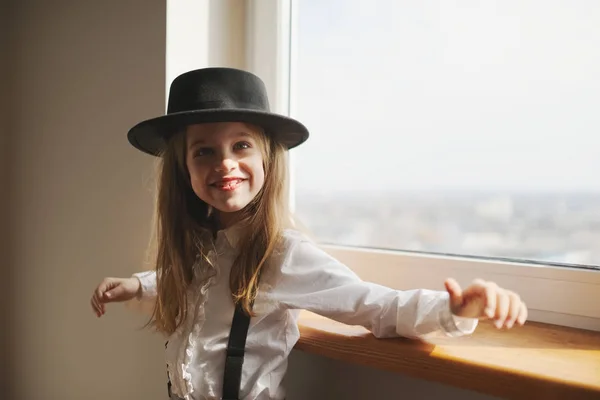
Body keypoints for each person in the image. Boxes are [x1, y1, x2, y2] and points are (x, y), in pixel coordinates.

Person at [90, 68, 528, 400]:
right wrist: (137, 284)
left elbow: (376, 306)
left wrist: (457, 309)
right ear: (184, 171)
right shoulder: (199, 246)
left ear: (266, 159)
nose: (224, 163)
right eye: (204, 151)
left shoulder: (281, 256)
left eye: (241, 145)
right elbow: (185, 281)